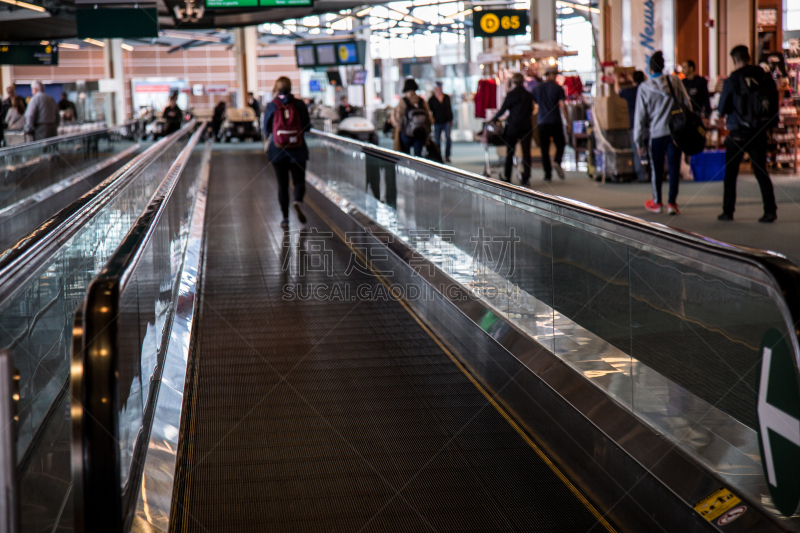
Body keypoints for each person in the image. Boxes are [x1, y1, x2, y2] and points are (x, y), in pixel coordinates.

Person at [717, 45, 779, 223]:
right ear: (748, 57)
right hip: (759, 130)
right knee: (761, 171)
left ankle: (728, 211)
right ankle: (770, 210)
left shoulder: (733, 79)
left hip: (738, 131)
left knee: (731, 172)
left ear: (735, 60)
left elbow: (722, 108)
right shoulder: (764, 76)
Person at [633, 51, 691, 215]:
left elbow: (639, 118)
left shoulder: (644, 88)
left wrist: (638, 141)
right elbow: (687, 103)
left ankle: (657, 202)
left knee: (656, 169)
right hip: (675, 133)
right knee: (674, 168)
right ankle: (672, 203)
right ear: (663, 66)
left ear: (650, 68)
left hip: (656, 134)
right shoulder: (674, 81)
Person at [262, 76, 311, 228]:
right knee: (299, 181)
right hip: (298, 149)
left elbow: (266, 129)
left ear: (276, 88)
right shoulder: (300, 104)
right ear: (290, 88)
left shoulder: (272, 105)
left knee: (282, 184)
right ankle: (297, 200)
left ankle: (285, 218)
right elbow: (307, 126)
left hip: (277, 150)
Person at [531, 66, 566, 182]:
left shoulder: (537, 88)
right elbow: (563, 107)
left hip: (542, 121)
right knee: (561, 143)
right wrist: (568, 121)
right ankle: (557, 161)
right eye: (555, 75)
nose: (556, 77)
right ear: (550, 75)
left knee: (544, 149)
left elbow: (534, 105)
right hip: (555, 120)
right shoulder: (558, 88)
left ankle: (547, 175)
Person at [391, 78, 433, 156]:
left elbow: (398, 118)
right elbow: (429, 117)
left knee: (406, 156)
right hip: (420, 133)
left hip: (406, 134)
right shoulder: (421, 101)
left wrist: (398, 127)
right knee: (418, 156)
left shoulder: (403, 101)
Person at [619, 71, 648, 181]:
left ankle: (641, 175)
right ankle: (650, 172)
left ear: (633, 80)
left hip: (635, 126)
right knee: (648, 150)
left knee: (638, 150)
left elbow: (617, 90)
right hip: (649, 125)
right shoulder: (647, 90)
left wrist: (617, 79)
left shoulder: (630, 92)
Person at [428, 82, 453, 163]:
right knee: (437, 140)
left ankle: (447, 156)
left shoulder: (446, 97)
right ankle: (438, 155)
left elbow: (449, 109)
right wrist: (431, 120)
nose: (440, 89)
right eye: (438, 88)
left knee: (448, 138)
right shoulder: (431, 100)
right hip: (437, 122)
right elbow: (429, 111)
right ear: (435, 89)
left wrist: (451, 119)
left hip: (446, 121)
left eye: (441, 87)